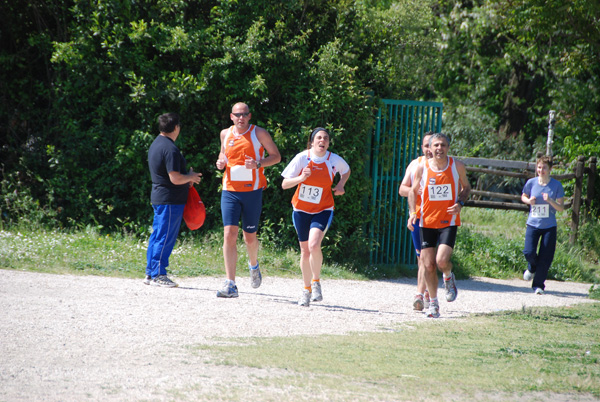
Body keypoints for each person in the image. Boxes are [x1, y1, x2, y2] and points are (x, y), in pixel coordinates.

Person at [215, 102, 281, 298]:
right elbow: (223, 153)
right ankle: (231, 283)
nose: (241, 117)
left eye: (244, 114)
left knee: (249, 237)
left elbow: (276, 157)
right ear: (231, 116)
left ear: (249, 116)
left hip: (252, 191)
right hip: (230, 190)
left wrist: (258, 164)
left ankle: (253, 265)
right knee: (229, 234)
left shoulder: (259, 133)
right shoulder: (225, 134)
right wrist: (221, 161)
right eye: (237, 114)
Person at [281, 127, 351, 306]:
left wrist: (341, 184)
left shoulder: (333, 160)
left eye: (325, 138)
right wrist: (300, 178)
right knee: (305, 251)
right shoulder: (302, 158)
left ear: (328, 143)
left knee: (314, 245)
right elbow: (284, 184)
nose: (322, 141)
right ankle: (306, 290)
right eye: (319, 138)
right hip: (301, 210)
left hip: (323, 209)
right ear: (312, 142)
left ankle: (316, 281)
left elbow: (346, 170)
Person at [407, 133, 471, 318]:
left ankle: (448, 276)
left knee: (441, 261)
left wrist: (460, 203)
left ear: (448, 148)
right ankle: (434, 304)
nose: (439, 149)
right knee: (428, 265)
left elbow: (466, 188)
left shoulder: (456, 166)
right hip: (427, 221)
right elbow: (412, 191)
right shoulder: (422, 167)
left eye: (443, 145)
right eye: (435, 145)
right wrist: (413, 214)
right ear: (430, 148)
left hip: (448, 221)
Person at [145, 113, 202, 287]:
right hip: (170, 200)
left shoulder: (156, 144)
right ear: (176, 127)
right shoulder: (170, 149)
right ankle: (159, 274)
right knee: (165, 237)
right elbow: (175, 178)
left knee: (157, 235)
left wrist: (186, 178)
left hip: (160, 197)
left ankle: (150, 273)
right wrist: (190, 176)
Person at [521, 155, 565, 294]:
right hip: (533, 224)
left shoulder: (556, 185)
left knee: (546, 257)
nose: (541, 170)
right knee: (529, 252)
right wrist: (529, 201)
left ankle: (538, 285)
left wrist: (550, 200)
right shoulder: (531, 183)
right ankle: (532, 267)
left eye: (544, 168)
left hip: (549, 226)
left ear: (550, 169)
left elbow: (561, 207)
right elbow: (523, 196)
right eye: (539, 167)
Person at [399, 132, 433, 311]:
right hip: (418, 216)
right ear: (422, 147)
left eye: (432, 145)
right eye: (426, 145)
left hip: (437, 218)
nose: (429, 149)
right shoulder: (415, 164)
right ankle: (425, 291)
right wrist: (416, 190)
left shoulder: (445, 167)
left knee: (427, 259)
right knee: (421, 258)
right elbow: (402, 189)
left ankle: (419, 294)